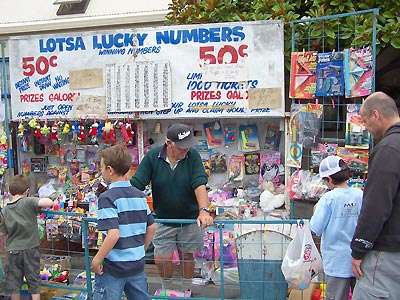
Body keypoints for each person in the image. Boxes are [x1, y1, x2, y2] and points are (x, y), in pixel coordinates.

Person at [130, 123, 214, 297]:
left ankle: (185, 289)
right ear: (169, 143)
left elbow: (200, 184)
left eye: (188, 145)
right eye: (182, 146)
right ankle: (167, 287)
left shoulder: (193, 156)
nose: (186, 149)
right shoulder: (153, 157)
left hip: (189, 218)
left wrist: (204, 211)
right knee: (162, 257)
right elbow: (137, 184)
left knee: (186, 255)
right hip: (163, 217)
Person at [351, 91, 400, 300]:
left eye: (364, 120)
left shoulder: (388, 149)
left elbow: (375, 206)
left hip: (386, 253)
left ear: (376, 114)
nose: (364, 127)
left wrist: (358, 249)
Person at [91, 143, 156, 300]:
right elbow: (152, 226)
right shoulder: (140, 195)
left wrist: (97, 259)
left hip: (114, 267)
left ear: (110, 170)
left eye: (102, 167)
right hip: (137, 265)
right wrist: (141, 249)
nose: (101, 171)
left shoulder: (107, 198)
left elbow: (113, 234)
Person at [310, 155, 363, 300]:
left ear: (329, 179)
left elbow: (316, 227)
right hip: (359, 260)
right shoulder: (359, 195)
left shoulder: (328, 199)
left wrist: (315, 211)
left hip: (336, 262)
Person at [0, 174, 54, 300]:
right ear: (27, 192)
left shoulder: (5, 210)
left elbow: (3, 232)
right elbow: (48, 202)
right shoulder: (28, 201)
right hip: (31, 248)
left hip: (13, 249)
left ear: (9, 191)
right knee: (33, 279)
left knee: (14, 281)